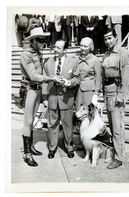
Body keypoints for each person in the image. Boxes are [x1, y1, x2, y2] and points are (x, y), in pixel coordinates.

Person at [20, 26, 59, 167]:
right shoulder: (26, 54)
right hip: (29, 89)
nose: (43, 43)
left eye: (44, 40)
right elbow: (33, 75)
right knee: (28, 121)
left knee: (32, 120)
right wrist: (51, 78)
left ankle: (30, 147)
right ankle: (27, 153)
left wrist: (43, 94)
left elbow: (40, 72)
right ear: (33, 41)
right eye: (41, 40)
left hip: (36, 90)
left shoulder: (38, 53)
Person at [42, 39, 80, 159]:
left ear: (65, 49)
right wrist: (44, 97)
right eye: (54, 47)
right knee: (52, 124)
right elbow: (44, 81)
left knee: (67, 124)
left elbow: (77, 78)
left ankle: (69, 146)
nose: (55, 50)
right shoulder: (48, 62)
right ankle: (52, 147)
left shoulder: (73, 61)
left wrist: (70, 82)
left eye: (58, 48)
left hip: (66, 98)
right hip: (52, 98)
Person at [102, 28, 129, 169]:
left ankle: (119, 157)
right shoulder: (106, 54)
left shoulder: (123, 53)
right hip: (108, 92)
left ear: (116, 38)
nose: (107, 41)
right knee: (112, 125)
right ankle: (114, 152)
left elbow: (126, 77)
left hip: (116, 92)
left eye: (110, 38)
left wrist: (121, 96)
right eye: (105, 39)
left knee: (117, 127)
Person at [76, 37, 102, 111]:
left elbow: (98, 78)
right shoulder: (76, 59)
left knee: (89, 113)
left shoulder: (95, 60)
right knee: (79, 113)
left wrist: (96, 93)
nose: (82, 48)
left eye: (85, 46)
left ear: (91, 47)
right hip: (77, 90)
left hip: (89, 90)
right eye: (81, 46)